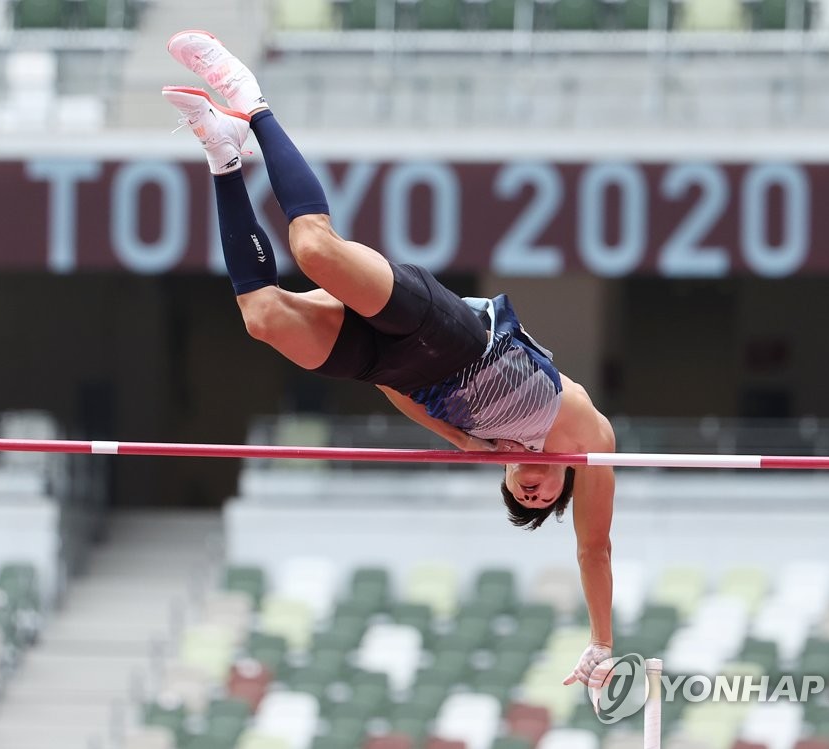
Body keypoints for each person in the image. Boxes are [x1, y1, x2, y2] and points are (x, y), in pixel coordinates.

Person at [163, 30, 616, 688]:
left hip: (392, 366)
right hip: (452, 332)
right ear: (563, 486)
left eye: (520, 500)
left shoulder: (474, 439)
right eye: (542, 499)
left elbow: (400, 391)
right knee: (314, 247)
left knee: (263, 318)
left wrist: (451, 435)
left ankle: (222, 155)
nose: (531, 494)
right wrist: (602, 643)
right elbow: (594, 547)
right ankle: (252, 103)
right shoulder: (587, 436)